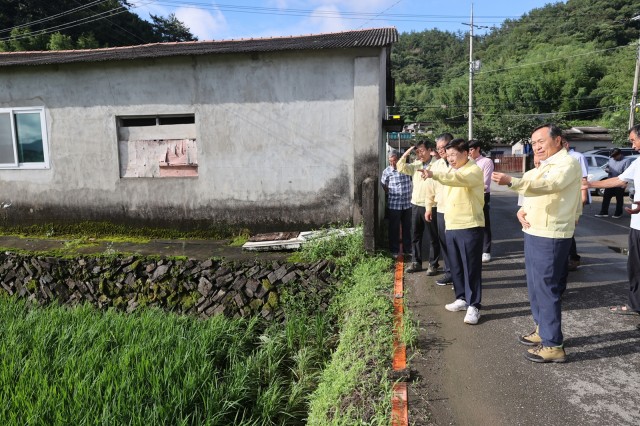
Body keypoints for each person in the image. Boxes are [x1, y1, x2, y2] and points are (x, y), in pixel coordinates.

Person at [491, 123, 582, 363]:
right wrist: (522, 208)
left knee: (546, 288)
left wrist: (512, 181)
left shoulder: (568, 163)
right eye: (534, 143)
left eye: (541, 141)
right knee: (534, 285)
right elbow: (534, 187)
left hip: (551, 233)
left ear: (558, 140)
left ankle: (553, 345)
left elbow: (551, 186)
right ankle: (543, 329)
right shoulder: (545, 165)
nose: (537, 146)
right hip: (534, 229)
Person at [422, 138, 485, 325]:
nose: (450, 158)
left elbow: (457, 180)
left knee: (471, 267)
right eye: (448, 155)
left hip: (469, 224)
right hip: (452, 224)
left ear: (466, 153)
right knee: (455, 265)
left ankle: (474, 305)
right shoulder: (450, 169)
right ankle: (461, 298)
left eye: (453, 154)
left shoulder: (473, 170)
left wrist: (434, 174)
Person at [588, 124, 640, 317]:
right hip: (637, 225)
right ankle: (636, 304)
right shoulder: (638, 162)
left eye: (634, 140)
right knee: (635, 267)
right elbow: (619, 180)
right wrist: (590, 184)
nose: (633, 146)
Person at [398, 141, 440, 274]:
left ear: (429, 150)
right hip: (416, 204)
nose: (419, 154)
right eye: (417, 152)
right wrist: (407, 152)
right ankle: (416, 262)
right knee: (415, 235)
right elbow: (400, 167)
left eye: (422, 150)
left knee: (433, 236)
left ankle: (433, 264)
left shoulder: (437, 164)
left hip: (432, 205)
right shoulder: (416, 165)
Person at [425, 133, 454, 286]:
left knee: (457, 244)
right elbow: (429, 190)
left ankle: (460, 275)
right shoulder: (435, 166)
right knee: (444, 244)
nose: (441, 150)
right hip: (441, 210)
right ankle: (449, 273)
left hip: (458, 211)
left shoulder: (460, 163)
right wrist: (428, 208)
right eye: (438, 148)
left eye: (444, 147)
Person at [564, 140, 590, 272]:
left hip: (576, 200)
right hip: (565, 200)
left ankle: (573, 259)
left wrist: (582, 201)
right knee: (566, 231)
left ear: (566, 144)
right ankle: (570, 258)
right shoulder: (559, 158)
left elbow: (583, 180)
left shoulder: (577, 157)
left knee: (569, 232)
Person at [381, 150, 412, 257]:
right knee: (393, 228)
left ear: (399, 159)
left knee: (407, 227)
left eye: (394, 161)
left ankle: (408, 249)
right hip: (394, 204)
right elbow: (383, 184)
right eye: (390, 161)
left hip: (407, 204)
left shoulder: (407, 168)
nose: (392, 164)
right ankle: (394, 250)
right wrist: (391, 192)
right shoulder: (387, 171)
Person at [468, 140, 494, 263]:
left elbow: (485, 183)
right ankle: (474, 248)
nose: (469, 152)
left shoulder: (486, 161)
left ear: (478, 149)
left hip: (482, 195)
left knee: (484, 223)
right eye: (467, 150)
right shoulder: (466, 162)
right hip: (468, 195)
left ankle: (486, 251)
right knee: (471, 223)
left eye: (471, 149)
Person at [595, 148, 632, 219]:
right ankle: (604, 212)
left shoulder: (626, 161)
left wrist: (624, 183)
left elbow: (627, 173)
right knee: (606, 197)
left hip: (619, 182)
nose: (614, 158)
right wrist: (607, 170)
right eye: (612, 157)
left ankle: (618, 213)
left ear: (619, 154)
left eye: (615, 156)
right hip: (610, 181)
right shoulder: (611, 159)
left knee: (619, 198)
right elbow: (607, 166)